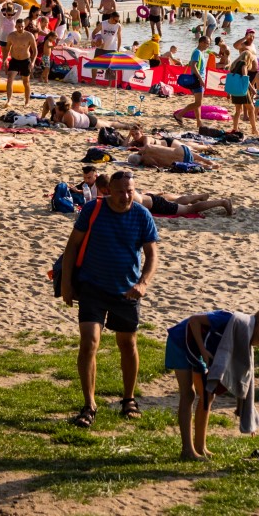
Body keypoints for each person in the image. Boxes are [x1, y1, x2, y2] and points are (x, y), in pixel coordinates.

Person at [61, 169, 158, 427]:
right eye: (120, 191)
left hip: (127, 290)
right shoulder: (93, 210)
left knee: (127, 344)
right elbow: (72, 246)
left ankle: (128, 399)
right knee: (89, 342)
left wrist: (143, 283)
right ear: (108, 192)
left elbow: (152, 255)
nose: (126, 196)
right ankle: (89, 405)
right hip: (93, 287)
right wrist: (67, 283)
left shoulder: (142, 215)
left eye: (130, 191)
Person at [166, 307, 259, 460]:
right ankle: (187, 450)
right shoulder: (228, 319)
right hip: (180, 341)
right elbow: (194, 320)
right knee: (188, 395)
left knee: (208, 395)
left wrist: (242, 408)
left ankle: (200, 446)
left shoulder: (243, 333)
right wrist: (203, 351)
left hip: (198, 350)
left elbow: (243, 374)